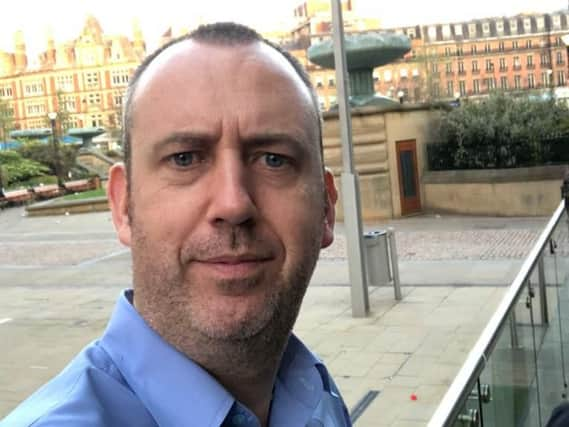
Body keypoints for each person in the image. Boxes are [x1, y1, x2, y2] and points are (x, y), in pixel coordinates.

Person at [0, 22, 350, 427]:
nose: (234, 204)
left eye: (274, 159)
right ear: (123, 206)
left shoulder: (311, 388)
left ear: (326, 207)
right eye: (185, 158)